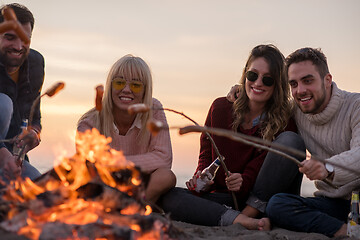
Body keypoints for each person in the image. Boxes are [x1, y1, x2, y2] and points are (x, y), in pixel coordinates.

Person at [158, 44, 305, 230]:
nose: (258, 83)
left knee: (291, 140)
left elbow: (266, 166)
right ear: (245, 75)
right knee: (170, 196)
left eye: (268, 80)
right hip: (226, 199)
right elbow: (206, 151)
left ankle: (244, 217)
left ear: (278, 85)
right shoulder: (220, 108)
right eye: (253, 75)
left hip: (263, 200)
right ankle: (239, 220)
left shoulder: (284, 121)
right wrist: (201, 176)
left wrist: (244, 180)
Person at [263, 48, 360, 237]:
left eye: (308, 81)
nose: (300, 91)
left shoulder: (355, 105)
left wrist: (328, 168)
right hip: (333, 204)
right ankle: (345, 232)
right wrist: (240, 90)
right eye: (293, 84)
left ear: (327, 80)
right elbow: (263, 107)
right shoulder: (296, 110)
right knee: (277, 205)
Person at [77, 54, 176, 203]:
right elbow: (91, 168)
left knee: (166, 176)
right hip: (105, 184)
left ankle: (130, 207)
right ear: (110, 87)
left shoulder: (154, 110)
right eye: (119, 83)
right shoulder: (89, 123)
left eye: (135, 85)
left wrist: (119, 162)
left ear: (145, 91)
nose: (126, 90)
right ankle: (130, 207)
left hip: (140, 184)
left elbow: (164, 158)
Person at [0, 3, 43, 181]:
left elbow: (35, 119)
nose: (18, 46)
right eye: (10, 37)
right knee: (3, 104)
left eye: (25, 39)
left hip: (15, 162)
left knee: (42, 191)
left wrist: (33, 135)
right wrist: (3, 156)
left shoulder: (35, 63)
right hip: (4, 158)